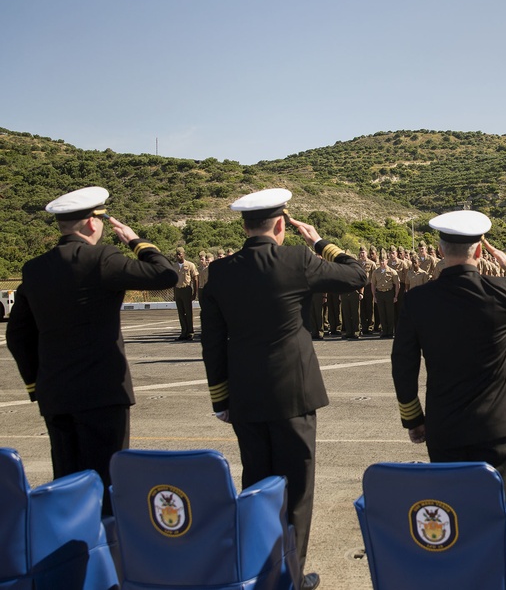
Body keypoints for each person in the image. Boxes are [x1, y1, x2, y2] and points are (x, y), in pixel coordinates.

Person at [199, 188, 367, 590]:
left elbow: (212, 341)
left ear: (244, 225)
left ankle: (257, 571)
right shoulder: (297, 259)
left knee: (256, 483)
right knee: (296, 491)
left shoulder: (220, 272)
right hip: (293, 394)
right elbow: (357, 274)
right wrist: (320, 242)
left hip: (245, 395)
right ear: (281, 225)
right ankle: (288, 577)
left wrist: (221, 398)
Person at [6, 186, 177, 515]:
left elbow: (18, 335)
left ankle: (70, 559)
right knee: (106, 492)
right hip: (102, 394)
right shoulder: (102, 258)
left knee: (67, 489)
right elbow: (165, 274)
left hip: (56, 395)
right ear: (91, 223)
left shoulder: (35, 269)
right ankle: (105, 561)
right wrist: (135, 241)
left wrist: (36, 385)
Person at [391, 210, 506, 494]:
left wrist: (413, 419)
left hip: (443, 425)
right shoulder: (505, 290)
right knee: (494, 508)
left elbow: (403, 363)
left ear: (441, 250)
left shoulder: (418, 300)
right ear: (480, 250)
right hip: (494, 426)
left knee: (452, 510)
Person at [173, 247, 199, 340]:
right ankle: (183, 332)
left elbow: (195, 279)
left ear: (184, 254)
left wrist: (195, 293)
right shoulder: (174, 266)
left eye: (180, 254)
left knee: (188, 312)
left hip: (186, 289)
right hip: (178, 290)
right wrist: (174, 294)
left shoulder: (190, 265)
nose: (179, 256)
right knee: (180, 313)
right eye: (177, 254)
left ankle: (190, 332)